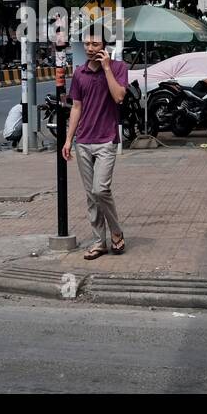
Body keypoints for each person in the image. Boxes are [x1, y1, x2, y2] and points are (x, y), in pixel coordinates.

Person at [62, 31, 128, 259]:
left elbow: (119, 97)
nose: (90, 48)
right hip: (83, 141)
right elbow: (76, 108)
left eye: (95, 43)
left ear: (104, 45)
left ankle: (116, 232)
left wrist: (107, 68)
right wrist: (69, 139)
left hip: (106, 140)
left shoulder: (119, 68)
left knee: (101, 189)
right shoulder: (79, 73)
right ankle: (100, 241)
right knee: (91, 195)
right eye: (87, 44)